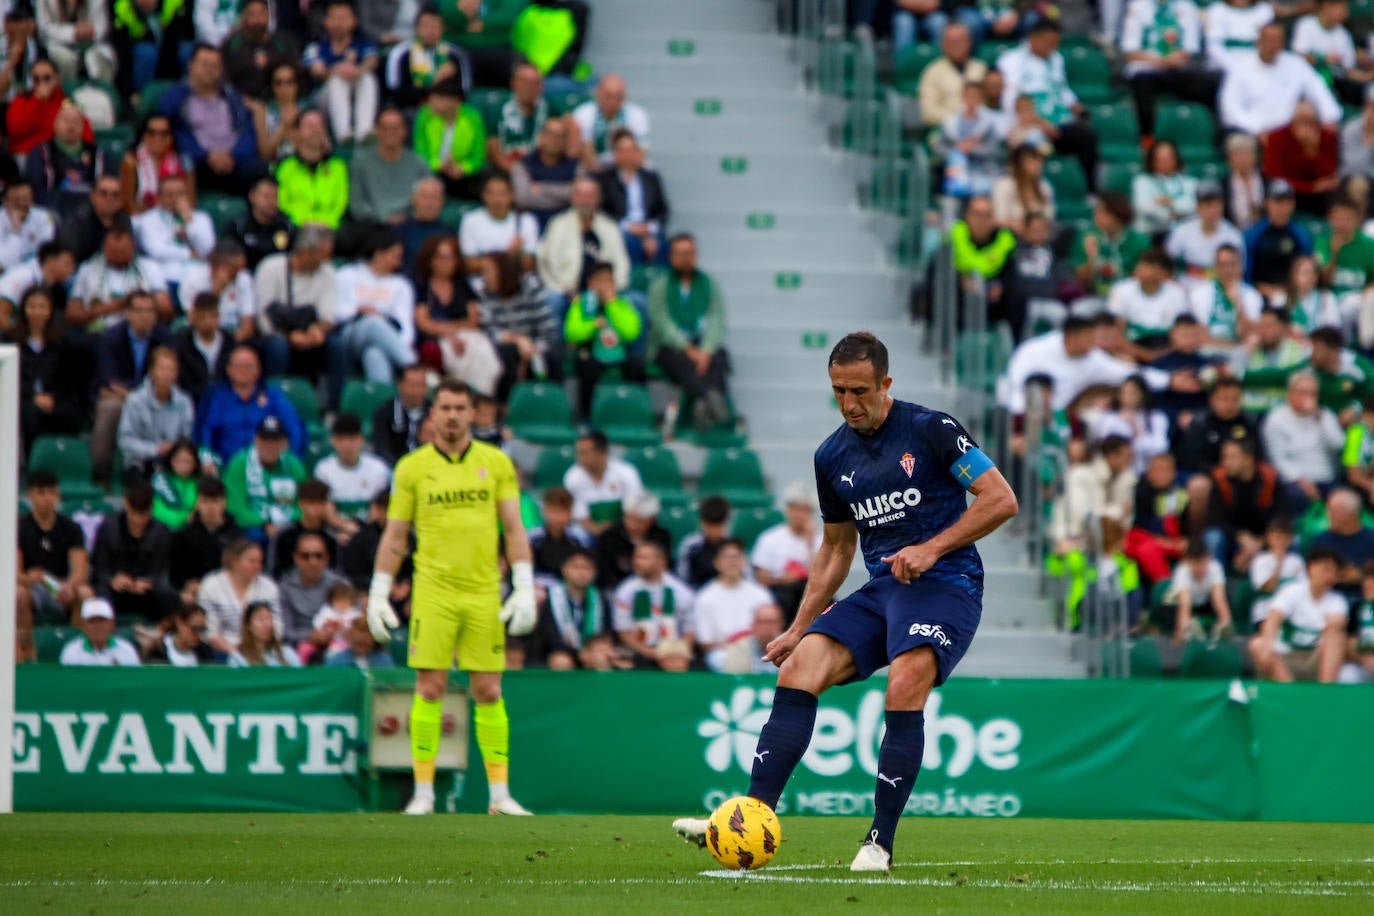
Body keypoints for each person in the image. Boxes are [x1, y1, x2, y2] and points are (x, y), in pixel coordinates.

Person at [671, 332, 1018, 871]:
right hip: (883, 589)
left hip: (947, 583)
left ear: (886, 383)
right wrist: (798, 627)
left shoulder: (932, 429)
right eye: (839, 391)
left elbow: (1001, 499)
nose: (850, 403)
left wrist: (931, 547)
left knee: (904, 681)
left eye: (860, 390)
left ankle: (878, 842)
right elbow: (836, 548)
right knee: (799, 668)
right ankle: (748, 819)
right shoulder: (831, 456)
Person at [364, 379, 538, 816]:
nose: (454, 415)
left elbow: (514, 528)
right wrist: (379, 591)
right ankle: (423, 793)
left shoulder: (496, 463)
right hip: (433, 592)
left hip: (483, 591)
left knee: (489, 689)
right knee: (429, 686)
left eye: (462, 407)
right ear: (433, 413)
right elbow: (395, 535)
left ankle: (500, 797)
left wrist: (523, 584)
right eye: (446, 407)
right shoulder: (411, 468)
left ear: (473, 413)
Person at [997, 19, 1098, 192]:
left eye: (1056, 43)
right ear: (1034, 38)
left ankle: (1089, 192)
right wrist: (1040, 123)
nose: (1054, 47)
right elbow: (1011, 100)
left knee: (1087, 137)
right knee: (1034, 141)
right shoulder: (1011, 61)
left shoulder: (1056, 59)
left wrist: (1076, 107)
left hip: (1057, 123)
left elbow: (1063, 90)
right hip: (1028, 125)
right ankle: (1032, 191)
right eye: (1050, 43)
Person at [159, 43, 265, 195]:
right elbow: (173, 133)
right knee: (185, 164)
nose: (210, 69)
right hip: (198, 162)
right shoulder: (175, 97)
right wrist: (206, 155)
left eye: (215, 65)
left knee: (262, 169)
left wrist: (232, 155)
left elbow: (247, 132)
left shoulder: (232, 98)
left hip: (234, 161)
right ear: (191, 65)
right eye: (204, 64)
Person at [89, 290, 171, 480]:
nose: (145, 316)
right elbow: (110, 380)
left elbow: (167, 375)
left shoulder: (165, 338)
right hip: (119, 399)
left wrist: (133, 393)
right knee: (110, 408)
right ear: (128, 313)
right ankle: (100, 476)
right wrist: (140, 392)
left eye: (150, 311)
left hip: (149, 396)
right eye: (140, 310)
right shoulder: (110, 338)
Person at [330, 231, 416, 394]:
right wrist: (358, 310)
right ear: (378, 253)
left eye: (400, 257)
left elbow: (406, 325)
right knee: (372, 322)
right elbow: (335, 312)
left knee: (374, 353)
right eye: (394, 256)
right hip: (350, 333)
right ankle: (412, 367)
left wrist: (399, 346)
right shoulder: (347, 275)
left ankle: (384, 402)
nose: (398, 262)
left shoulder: (401, 284)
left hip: (386, 338)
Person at [1219, 22, 1341, 137]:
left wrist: (1329, 117)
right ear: (1259, 41)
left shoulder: (1296, 64)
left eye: (1278, 40)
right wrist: (1257, 129)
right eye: (1269, 40)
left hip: (1289, 133)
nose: (1273, 45)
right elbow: (1230, 109)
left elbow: (1318, 89)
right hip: (1252, 132)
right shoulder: (1241, 68)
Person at [195, 343, 305, 465]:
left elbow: (295, 430)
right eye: (238, 366)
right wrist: (208, 459)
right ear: (229, 370)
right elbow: (203, 433)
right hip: (225, 467)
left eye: (248, 366)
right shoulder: (214, 397)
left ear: (258, 370)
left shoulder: (273, 397)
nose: (243, 370)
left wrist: (288, 460)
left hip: (267, 467)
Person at [414, 234, 499, 392]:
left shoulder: (463, 286)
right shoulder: (422, 286)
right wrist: (449, 333)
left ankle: (480, 394)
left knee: (481, 352)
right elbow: (423, 321)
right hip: (435, 338)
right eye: (441, 258)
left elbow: (474, 320)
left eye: (450, 258)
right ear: (430, 260)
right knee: (434, 351)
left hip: (465, 336)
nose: (446, 263)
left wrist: (453, 332)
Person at [252, 224, 337, 379]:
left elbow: (328, 315)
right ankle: (276, 391)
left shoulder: (327, 271)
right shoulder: (271, 267)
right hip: (277, 333)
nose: (325, 260)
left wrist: (317, 330)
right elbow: (263, 317)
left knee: (336, 345)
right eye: (321, 254)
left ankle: (334, 401)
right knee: (278, 345)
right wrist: (288, 336)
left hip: (309, 332)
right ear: (305, 251)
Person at [1250, 548, 1347, 682]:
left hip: (1315, 658)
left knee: (1336, 637)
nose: (1330, 577)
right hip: (1286, 656)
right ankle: (1291, 693)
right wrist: (1268, 643)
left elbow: (1337, 624)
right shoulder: (1292, 591)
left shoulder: (1337, 600)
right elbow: (1273, 619)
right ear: (1311, 568)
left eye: (1334, 572)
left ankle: (1325, 693)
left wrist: (1334, 624)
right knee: (1258, 644)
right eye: (1326, 570)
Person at [1121, 0, 1216, 137]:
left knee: (1206, 83)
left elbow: (1189, 49)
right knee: (1142, 84)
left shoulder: (1187, 7)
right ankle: (1147, 136)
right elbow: (1131, 53)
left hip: (1177, 70)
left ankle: (1201, 135)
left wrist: (1171, 60)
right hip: (1146, 69)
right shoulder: (1137, 6)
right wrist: (1162, 60)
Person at [564, 260, 644, 417]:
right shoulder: (581, 304)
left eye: (609, 281)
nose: (605, 286)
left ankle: (636, 413)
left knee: (637, 367)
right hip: (591, 353)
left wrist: (611, 305)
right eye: (601, 281)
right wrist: (593, 325)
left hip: (619, 353)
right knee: (587, 367)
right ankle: (586, 416)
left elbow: (632, 332)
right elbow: (572, 333)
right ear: (590, 283)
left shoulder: (622, 304)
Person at [91, 480, 178, 623]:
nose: (138, 520)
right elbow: (99, 569)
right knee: (100, 595)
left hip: (147, 592)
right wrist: (113, 580)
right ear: (126, 504)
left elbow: (161, 570)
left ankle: (164, 633)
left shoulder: (161, 532)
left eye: (143, 514)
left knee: (168, 595)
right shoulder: (108, 528)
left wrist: (147, 581)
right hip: (115, 591)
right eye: (134, 513)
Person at [537, 176, 630, 308]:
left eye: (589, 196)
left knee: (636, 301)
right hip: (567, 292)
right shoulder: (558, 224)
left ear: (598, 199)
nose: (585, 201)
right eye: (580, 195)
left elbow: (621, 264)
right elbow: (545, 264)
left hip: (605, 291)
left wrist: (612, 290)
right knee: (553, 300)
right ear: (573, 198)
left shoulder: (610, 227)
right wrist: (565, 290)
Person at [9, 286, 84, 450]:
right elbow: (11, 377)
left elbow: (67, 379)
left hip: (54, 398)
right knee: (30, 415)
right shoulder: (11, 340)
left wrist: (52, 397)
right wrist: (32, 396)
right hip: (22, 398)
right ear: (24, 309)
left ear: (50, 311)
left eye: (42, 307)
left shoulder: (62, 342)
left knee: (69, 413)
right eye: (32, 306)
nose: (37, 312)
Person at [67, 215, 172, 332]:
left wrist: (138, 302)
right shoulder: (88, 268)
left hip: (141, 331)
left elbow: (167, 310)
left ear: (133, 247)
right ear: (104, 248)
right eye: (115, 251)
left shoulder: (150, 268)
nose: (120, 254)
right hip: (99, 333)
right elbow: (73, 314)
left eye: (124, 250)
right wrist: (110, 308)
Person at [1261, 372, 1345, 511]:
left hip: (1326, 477)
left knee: (1345, 500)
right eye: (1302, 392)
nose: (1308, 397)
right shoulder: (1276, 420)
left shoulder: (1325, 415)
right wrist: (1301, 481)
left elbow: (1338, 445)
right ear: (1290, 393)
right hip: (1294, 481)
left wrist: (1320, 418)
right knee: (1296, 496)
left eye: (1313, 393)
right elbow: (1278, 459)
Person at [17, 469, 90, 626]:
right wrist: (29, 578)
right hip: (32, 588)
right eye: (41, 493)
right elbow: (15, 573)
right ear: (30, 495)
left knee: (85, 594)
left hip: (61, 586)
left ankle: (76, 646)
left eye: (51, 492)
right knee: (18, 594)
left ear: (57, 495)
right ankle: (26, 647)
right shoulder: (19, 528)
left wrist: (69, 586)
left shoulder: (72, 528)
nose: (46, 498)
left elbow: (80, 572)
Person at [696, 539, 781, 673]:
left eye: (736, 557)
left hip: (759, 649)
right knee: (722, 658)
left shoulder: (761, 594)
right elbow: (705, 643)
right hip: (724, 651)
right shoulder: (705, 597)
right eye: (726, 557)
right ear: (716, 562)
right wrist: (736, 644)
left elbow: (773, 628)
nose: (732, 562)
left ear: (744, 561)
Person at [303, 0, 379, 145]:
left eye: (344, 18)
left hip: (355, 92)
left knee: (368, 78)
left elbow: (372, 60)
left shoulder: (363, 43)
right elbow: (317, 71)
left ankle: (364, 132)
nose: (339, 23)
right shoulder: (316, 47)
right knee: (337, 80)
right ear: (326, 22)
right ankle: (343, 134)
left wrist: (358, 70)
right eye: (335, 18)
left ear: (353, 21)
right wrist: (337, 69)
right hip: (324, 99)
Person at [612, 539, 696, 670]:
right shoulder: (625, 591)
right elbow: (624, 632)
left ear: (661, 562)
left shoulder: (682, 592)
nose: (636, 562)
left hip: (672, 649)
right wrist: (649, 652)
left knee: (679, 664)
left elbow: (689, 631)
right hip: (639, 650)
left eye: (644, 558)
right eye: (636, 557)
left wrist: (677, 652)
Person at [222, 415, 307, 543]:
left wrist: (286, 523)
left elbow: (304, 505)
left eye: (275, 440)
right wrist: (264, 524)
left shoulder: (294, 465)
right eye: (265, 440)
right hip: (251, 527)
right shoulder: (239, 464)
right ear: (256, 440)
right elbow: (235, 508)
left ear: (283, 443)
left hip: (289, 525)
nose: (270, 445)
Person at [116, 347, 195, 476]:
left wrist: (174, 450)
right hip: (139, 464)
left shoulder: (184, 402)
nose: (166, 374)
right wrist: (156, 449)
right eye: (162, 369)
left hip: (173, 463)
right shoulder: (135, 400)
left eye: (171, 369)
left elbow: (187, 436)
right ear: (151, 371)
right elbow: (125, 441)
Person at [347, 107, 432, 227]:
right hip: (373, 225)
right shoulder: (360, 163)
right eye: (385, 128)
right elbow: (357, 205)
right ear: (377, 130)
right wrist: (383, 217)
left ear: (404, 131)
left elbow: (430, 200)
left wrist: (407, 218)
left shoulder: (419, 164)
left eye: (396, 128)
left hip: (411, 224)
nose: (391, 133)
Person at [596, 129, 668, 266]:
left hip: (647, 227)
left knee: (664, 245)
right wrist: (628, 226)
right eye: (622, 150)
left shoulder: (651, 178)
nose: (627, 155)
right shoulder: (606, 180)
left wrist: (650, 228)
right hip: (621, 228)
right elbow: (603, 211)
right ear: (615, 154)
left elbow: (662, 210)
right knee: (629, 243)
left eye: (631, 150)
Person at [25, 100, 109, 217]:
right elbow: (36, 190)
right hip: (51, 211)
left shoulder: (97, 154)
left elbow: (106, 187)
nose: (71, 126)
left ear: (83, 125)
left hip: (90, 213)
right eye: (66, 120)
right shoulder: (41, 152)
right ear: (55, 123)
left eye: (76, 121)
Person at [131, 173, 216, 287]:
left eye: (181, 194)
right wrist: (188, 253)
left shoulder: (201, 219)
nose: (176, 199)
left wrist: (189, 221)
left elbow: (208, 249)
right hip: (166, 274)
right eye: (170, 194)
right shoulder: (148, 219)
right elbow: (155, 250)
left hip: (199, 274)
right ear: (159, 197)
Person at [197, 538, 279, 653]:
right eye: (252, 561)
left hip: (261, 649)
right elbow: (209, 630)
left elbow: (277, 624)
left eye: (260, 562)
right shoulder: (211, 585)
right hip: (220, 650)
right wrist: (234, 652)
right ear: (234, 561)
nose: (257, 566)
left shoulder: (268, 586)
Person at [531, 547, 608, 670]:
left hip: (590, 651)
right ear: (564, 569)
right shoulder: (551, 597)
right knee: (561, 662)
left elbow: (605, 631)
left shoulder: (600, 598)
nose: (581, 572)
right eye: (576, 567)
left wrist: (594, 649)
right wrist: (577, 653)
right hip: (560, 651)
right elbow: (549, 635)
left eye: (586, 568)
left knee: (601, 658)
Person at [277, 530, 349, 660]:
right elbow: (284, 631)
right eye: (306, 556)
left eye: (318, 556)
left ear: (326, 559)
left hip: (339, 643)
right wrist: (310, 636)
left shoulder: (340, 585)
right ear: (296, 558)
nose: (312, 561)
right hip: (297, 649)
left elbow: (354, 619)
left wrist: (335, 633)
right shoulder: (285, 587)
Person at [383, 5, 468, 113]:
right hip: (412, 108)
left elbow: (465, 91)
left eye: (435, 26)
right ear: (416, 28)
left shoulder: (455, 55)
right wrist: (434, 82)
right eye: (426, 26)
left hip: (449, 110)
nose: (431, 31)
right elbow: (395, 93)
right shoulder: (401, 54)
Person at [1264, 100, 1342, 217]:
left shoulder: (1327, 136)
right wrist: (1310, 187)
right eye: (1301, 121)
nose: (1305, 126)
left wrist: (1312, 149)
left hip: (1319, 194)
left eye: (1310, 122)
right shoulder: (1276, 137)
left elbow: (1329, 173)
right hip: (1290, 189)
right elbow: (1274, 174)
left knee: (1335, 192)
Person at [274, 110, 349, 231]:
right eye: (309, 126)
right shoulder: (286, 167)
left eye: (319, 126)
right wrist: (302, 222)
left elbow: (340, 204)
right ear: (297, 132)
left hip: (330, 228)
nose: (315, 130)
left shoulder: (338, 167)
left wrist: (327, 222)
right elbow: (283, 204)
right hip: (296, 228)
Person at [168, 476, 243, 596]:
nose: (210, 507)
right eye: (205, 501)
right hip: (196, 593)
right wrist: (187, 584)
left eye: (215, 501)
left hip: (228, 592)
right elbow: (175, 575)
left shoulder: (237, 536)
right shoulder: (183, 535)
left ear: (224, 502)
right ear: (197, 503)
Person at [414, 77, 485, 200]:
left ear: (454, 102)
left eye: (438, 99)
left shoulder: (473, 118)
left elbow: (478, 156)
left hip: (462, 174)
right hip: (433, 171)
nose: (431, 102)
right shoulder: (424, 116)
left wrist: (462, 168)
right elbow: (420, 153)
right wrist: (439, 165)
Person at [1071, 192, 1151, 299]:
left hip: (1129, 298)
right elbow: (1082, 280)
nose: (1096, 216)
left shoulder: (1139, 241)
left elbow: (1144, 277)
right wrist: (1091, 257)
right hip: (1095, 296)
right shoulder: (1087, 237)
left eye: (1102, 212)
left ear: (1118, 214)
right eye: (1096, 212)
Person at [313, 412, 391, 521]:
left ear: (361, 440)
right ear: (333, 441)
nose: (347, 445)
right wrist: (344, 527)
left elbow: (380, 509)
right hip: (335, 531)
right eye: (341, 440)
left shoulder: (378, 468)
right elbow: (326, 509)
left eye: (352, 439)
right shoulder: (323, 469)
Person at [4, 59, 89, 157]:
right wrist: (37, 101)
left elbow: (85, 132)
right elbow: (14, 130)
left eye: (46, 78)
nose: (41, 83)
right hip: (27, 154)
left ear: (56, 78)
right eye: (36, 79)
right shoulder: (21, 100)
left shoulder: (65, 101)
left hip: (58, 156)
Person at [1172, 378, 1258, 475]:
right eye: (1225, 399)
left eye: (1235, 399)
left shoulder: (1248, 422)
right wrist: (1218, 471)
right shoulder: (1200, 423)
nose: (1230, 404)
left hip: (1242, 473)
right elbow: (1191, 460)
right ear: (1212, 400)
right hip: (1210, 475)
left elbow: (1257, 454)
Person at [594, 489, 674, 591]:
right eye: (629, 518)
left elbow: (665, 569)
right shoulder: (609, 537)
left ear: (652, 520)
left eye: (639, 521)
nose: (633, 525)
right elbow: (604, 574)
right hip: (616, 589)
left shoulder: (662, 537)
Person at [1243, 180, 1312, 297]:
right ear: (1267, 203)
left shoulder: (1301, 235)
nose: (1283, 208)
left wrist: (1288, 291)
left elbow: (1307, 270)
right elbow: (1246, 274)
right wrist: (1264, 290)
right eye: (1278, 202)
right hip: (1258, 294)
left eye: (1287, 202)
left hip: (1293, 295)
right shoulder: (1253, 235)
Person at [1165, 183, 1244, 286]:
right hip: (1187, 290)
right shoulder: (1181, 232)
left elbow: (1238, 273)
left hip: (1220, 292)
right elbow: (1167, 267)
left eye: (1217, 204)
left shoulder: (1233, 236)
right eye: (1207, 205)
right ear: (1198, 207)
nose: (1213, 210)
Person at [458, 172, 539, 271]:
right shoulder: (470, 220)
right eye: (491, 194)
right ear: (483, 195)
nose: (496, 199)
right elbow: (470, 263)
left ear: (512, 196)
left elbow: (530, 265)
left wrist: (517, 255)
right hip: (482, 283)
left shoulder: (526, 221)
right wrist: (505, 257)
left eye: (502, 194)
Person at [570, 73, 650, 171]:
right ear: (598, 93)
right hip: (593, 167)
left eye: (618, 96)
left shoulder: (637, 114)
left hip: (625, 166)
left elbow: (642, 149)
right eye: (609, 96)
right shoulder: (583, 113)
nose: (613, 101)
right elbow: (584, 148)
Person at [221, 0, 297, 102]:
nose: (257, 20)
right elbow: (224, 80)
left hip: (278, 103)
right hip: (240, 104)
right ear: (243, 17)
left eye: (261, 13)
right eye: (252, 14)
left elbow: (295, 71)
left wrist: (269, 61)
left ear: (269, 16)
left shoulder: (282, 43)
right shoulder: (232, 45)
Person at [119, 113, 195, 216]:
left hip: (177, 216)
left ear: (171, 137)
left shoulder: (183, 161)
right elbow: (128, 204)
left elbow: (191, 201)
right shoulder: (131, 161)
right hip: (143, 218)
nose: (158, 138)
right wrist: (156, 213)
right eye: (152, 133)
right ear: (144, 135)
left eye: (164, 133)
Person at [1162, 538, 1236, 642]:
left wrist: (1226, 622)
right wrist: (1183, 629)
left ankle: (1216, 630)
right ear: (1187, 562)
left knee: (1225, 598)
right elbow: (1185, 604)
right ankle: (1189, 631)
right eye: (1194, 563)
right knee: (1175, 613)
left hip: (1204, 603)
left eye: (1201, 562)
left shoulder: (1215, 568)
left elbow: (1219, 599)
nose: (1198, 568)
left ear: (1208, 558)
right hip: (1179, 606)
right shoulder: (1182, 572)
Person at [917, 22, 988, 129]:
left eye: (960, 41)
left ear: (969, 43)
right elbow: (928, 112)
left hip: (981, 129)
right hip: (945, 131)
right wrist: (960, 119)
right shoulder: (932, 71)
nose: (956, 46)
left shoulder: (981, 68)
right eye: (951, 41)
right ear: (943, 44)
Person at [511, 117, 578, 229]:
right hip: (532, 222)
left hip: (568, 222)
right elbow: (523, 198)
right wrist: (563, 198)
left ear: (565, 140)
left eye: (559, 136)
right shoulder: (522, 165)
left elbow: (578, 194)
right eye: (550, 134)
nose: (554, 140)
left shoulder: (575, 165)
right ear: (541, 136)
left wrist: (542, 188)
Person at [170, 292, 231, 406]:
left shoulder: (229, 342)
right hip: (191, 401)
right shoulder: (182, 343)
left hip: (225, 401)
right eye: (203, 317)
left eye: (212, 316)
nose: (208, 322)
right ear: (194, 317)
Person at [1131, 140, 1197, 239]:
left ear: (1176, 159)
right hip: (1151, 233)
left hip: (1183, 235)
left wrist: (1171, 202)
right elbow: (1144, 208)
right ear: (1153, 160)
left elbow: (1193, 206)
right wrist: (1170, 216)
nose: (1165, 161)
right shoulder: (1142, 181)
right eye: (1160, 158)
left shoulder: (1190, 182)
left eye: (1168, 157)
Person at [486, 62, 544, 173]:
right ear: (513, 83)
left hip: (538, 172)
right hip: (504, 169)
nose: (529, 87)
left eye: (535, 83)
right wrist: (516, 174)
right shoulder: (498, 108)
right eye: (525, 82)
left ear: (541, 87)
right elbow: (492, 147)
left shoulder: (547, 109)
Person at [528, 486, 594, 583]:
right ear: (544, 511)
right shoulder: (532, 537)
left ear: (571, 512)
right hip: (539, 586)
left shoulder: (580, 537)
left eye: (563, 512)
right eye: (554, 512)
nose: (558, 518)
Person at [1247, 518, 1305, 628]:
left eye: (1285, 538)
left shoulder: (1297, 561)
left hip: (1293, 614)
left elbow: (1303, 588)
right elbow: (1268, 588)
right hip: (1266, 613)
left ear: (1290, 540)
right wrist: (1279, 564)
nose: (1281, 542)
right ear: (1269, 538)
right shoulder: (1260, 560)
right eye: (1277, 537)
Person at [226, 178, 293, 273]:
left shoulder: (287, 225)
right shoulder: (238, 226)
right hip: (248, 276)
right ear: (252, 196)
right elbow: (231, 258)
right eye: (266, 196)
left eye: (275, 197)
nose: (271, 201)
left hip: (279, 277)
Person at [56, 175, 124, 264]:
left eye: (115, 195)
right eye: (104, 194)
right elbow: (66, 260)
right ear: (93, 197)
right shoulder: (76, 222)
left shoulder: (123, 219)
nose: (110, 199)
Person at [371, 363, 431, 463]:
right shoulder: (384, 412)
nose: (418, 391)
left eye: (422, 386)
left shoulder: (434, 411)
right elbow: (382, 448)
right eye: (413, 386)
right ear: (400, 385)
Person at [990, 143, 1053, 236]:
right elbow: (998, 220)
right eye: (1032, 161)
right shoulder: (1004, 185)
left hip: (1039, 237)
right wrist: (1022, 228)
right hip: (1011, 237)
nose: (1038, 165)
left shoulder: (1044, 186)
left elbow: (1049, 218)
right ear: (1019, 164)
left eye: (1039, 161)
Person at [59, 597, 141, 666]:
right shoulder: (71, 652)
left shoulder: (127, 650)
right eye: (92, 621)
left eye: (102, 620)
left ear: (112, 624)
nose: (98, 626)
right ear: (83, 625)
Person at [250, 62, 305, 165]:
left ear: (296, 85)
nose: (284, 87)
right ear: (273, 87)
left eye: (289, 81)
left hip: (303, 164)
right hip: (275, 165)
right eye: (278, 83)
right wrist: (284, 126)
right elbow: (265, 153)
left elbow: (316, 144)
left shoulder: (307, 107)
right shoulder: (264, 112)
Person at [395, 175, 452, 271]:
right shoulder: (398, 231)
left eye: (434, 197)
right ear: (412, 199)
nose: (429, 203)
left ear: (442, 201)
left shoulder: (449, 234)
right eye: (424, 197)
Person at [676, 495, 731, 590]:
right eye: (710, 526)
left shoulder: (733, 546)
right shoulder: (690, 545)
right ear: (701, 522)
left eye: (718, 527)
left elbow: (746, 578)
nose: (714, 532)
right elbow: (682, 578)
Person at [149, 438, 201, 530]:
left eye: (187, 461)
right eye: (178, 460)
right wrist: (184, 517)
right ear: (171, 460)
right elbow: (156, 510)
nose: (182, 466)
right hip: (164, 531)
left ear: (195, 463)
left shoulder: (201, 484)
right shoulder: (160, 481)